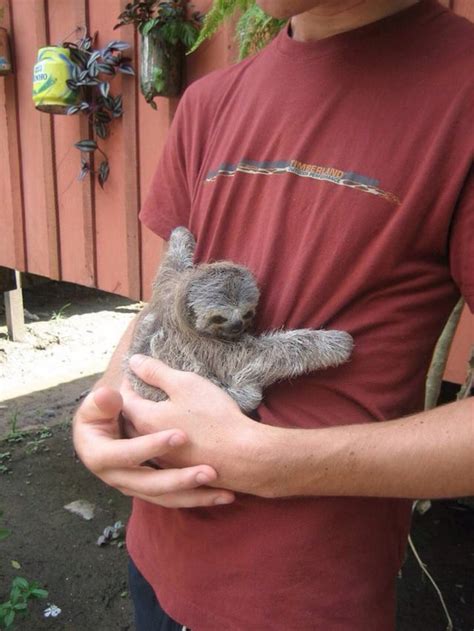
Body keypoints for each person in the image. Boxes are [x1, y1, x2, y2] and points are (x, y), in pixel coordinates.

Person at [73, 1, 474, 629]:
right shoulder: (210, 101)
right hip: (156, 560)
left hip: (303, 595)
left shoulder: (459, 92)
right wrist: (103, 406)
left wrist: (268, 461)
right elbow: (166, 300)